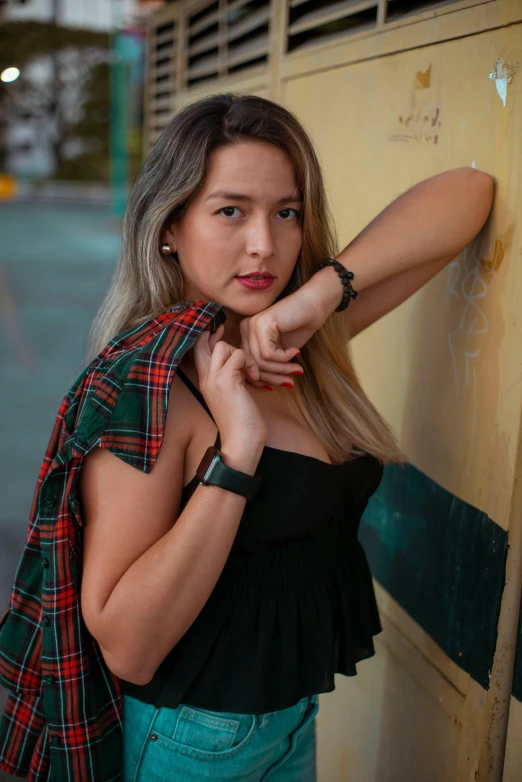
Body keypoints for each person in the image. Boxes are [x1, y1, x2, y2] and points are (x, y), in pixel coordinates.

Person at [0, 93, 493, 782]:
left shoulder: (292, 344)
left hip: (289, 723)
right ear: (170, 226)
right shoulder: (150, 389)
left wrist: (320, 295)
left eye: (286, 212)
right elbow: (128, 647)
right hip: (192, 743)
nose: (265, 243)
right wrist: (237, 453)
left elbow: (469, 195)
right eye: (230, 210)